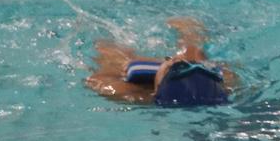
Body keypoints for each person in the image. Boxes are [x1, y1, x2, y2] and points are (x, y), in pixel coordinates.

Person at [87, 18, 234, 108]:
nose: (178, 60)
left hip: (147, 87)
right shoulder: (228, 84)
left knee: (114, 56)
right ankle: (187, 26)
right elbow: (226, 69)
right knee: (194, 52)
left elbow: (94, 80)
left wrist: (132, 64)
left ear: (156, 89)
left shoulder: (127, 92)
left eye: (174, 66)